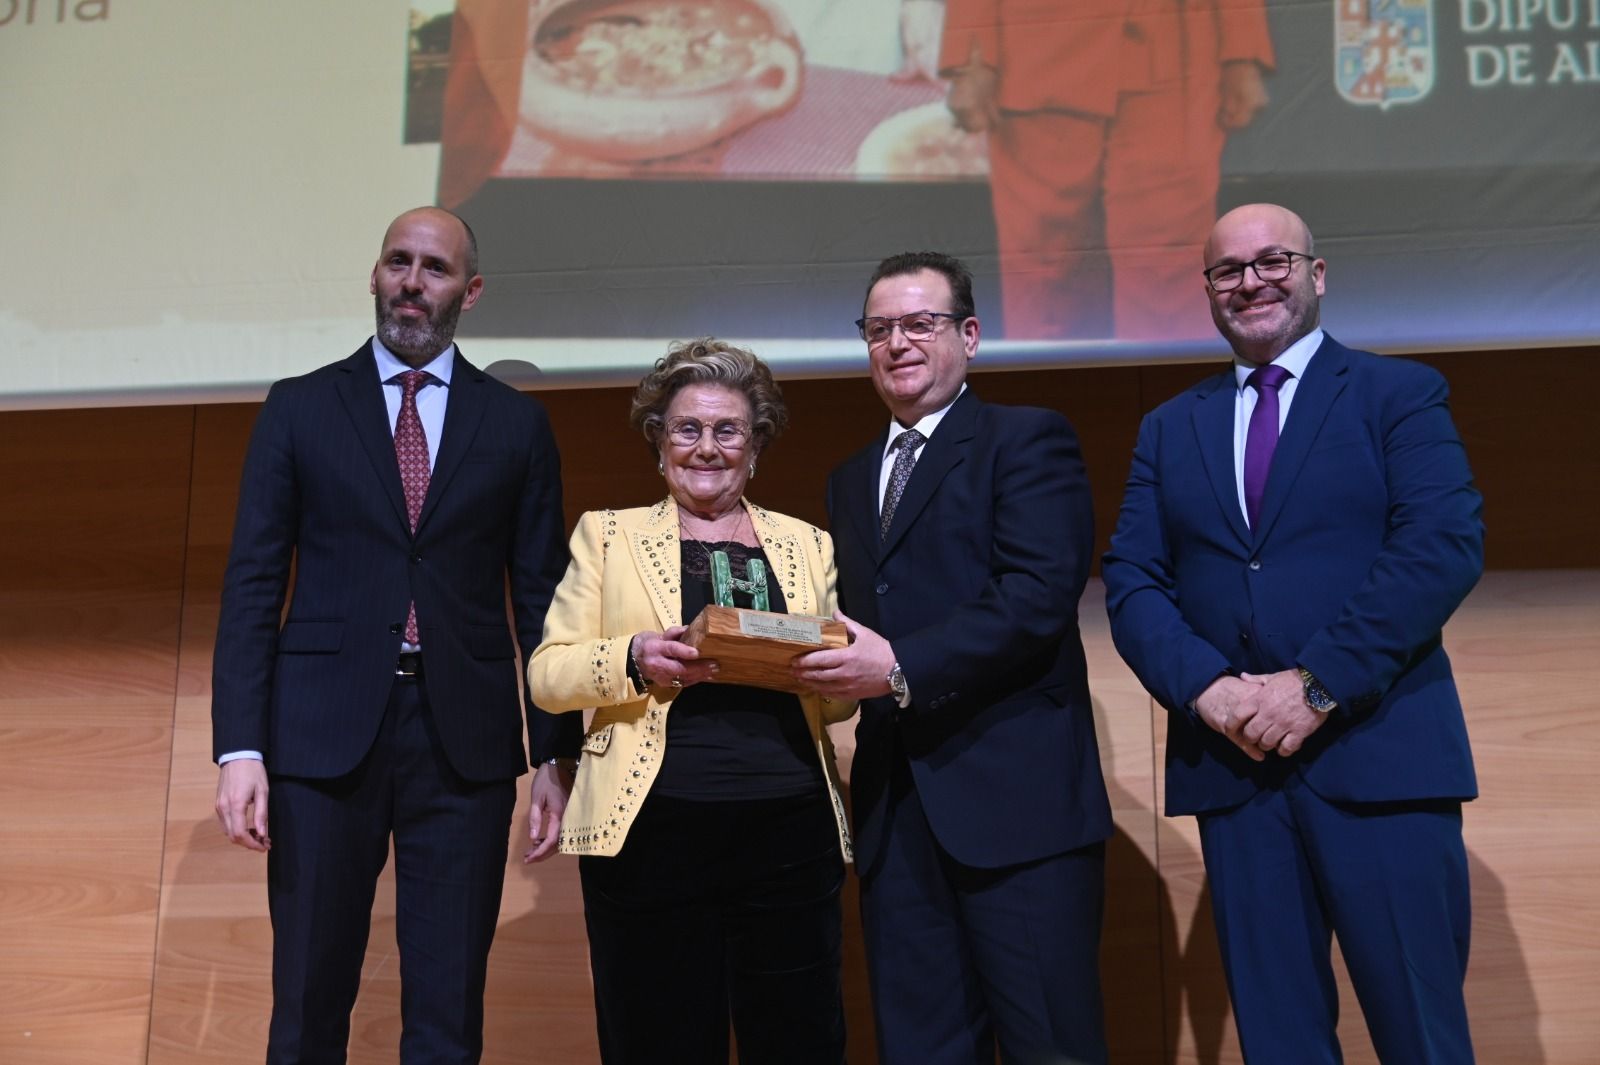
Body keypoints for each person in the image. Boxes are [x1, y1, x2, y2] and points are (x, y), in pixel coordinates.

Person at [1102, 203, 1482, 1062]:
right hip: (1238, 775)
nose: (1251, 281)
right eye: (1228, 270)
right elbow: (1131, 578)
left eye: (1272, 260)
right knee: (1279, 1041)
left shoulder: (1399, 393)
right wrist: (1210, 689)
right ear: (1208, 293)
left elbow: (1443, 547)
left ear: (1316, 273)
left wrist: (1315, 685)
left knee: (1422, 1034)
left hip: (1381, 762)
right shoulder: (1170, 426)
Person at [211, 206, 578, 1064]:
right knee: (306, 998)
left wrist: (556, 751)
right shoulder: (299, 408)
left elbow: (542, 597)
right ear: (375, 275)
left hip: (467, 746)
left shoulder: (517, 425)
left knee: (448, 1010)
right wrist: (240, 749)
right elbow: (254, 585)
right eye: (398, 263)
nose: (413, 282)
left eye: (435, 268)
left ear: (470, 290)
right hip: (318, 739)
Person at [793, 252, 1112, 1065]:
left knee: (1053, 1045)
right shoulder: (849, 477)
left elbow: (1038, 595)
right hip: (898, 816)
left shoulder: (1027, 438)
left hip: (1020, 808)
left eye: (920, 323)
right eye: (879, 328)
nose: (897, 342)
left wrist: (897, 667)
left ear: (968, 336)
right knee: (921, 1047)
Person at [527, 339, 855, 1065]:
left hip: (790, 834)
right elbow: (548, 673)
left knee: (800, 1042)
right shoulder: (607, 535)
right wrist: (633, 657)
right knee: (658, 1044)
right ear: (659, 439)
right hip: (651, 835)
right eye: (687, 428)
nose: (706, 447)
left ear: (756, 443)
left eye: (727, 429)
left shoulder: (808, 544)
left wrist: (828, 678)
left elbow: (835, 708)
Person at [937, 0, 1274, 339]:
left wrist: (1242, 49)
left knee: (1170, 265)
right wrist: (971, 54)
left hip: (1175, 46)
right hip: (1036, 49)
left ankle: (1176, 388)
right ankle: (1044, 389)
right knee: (1044, 268)